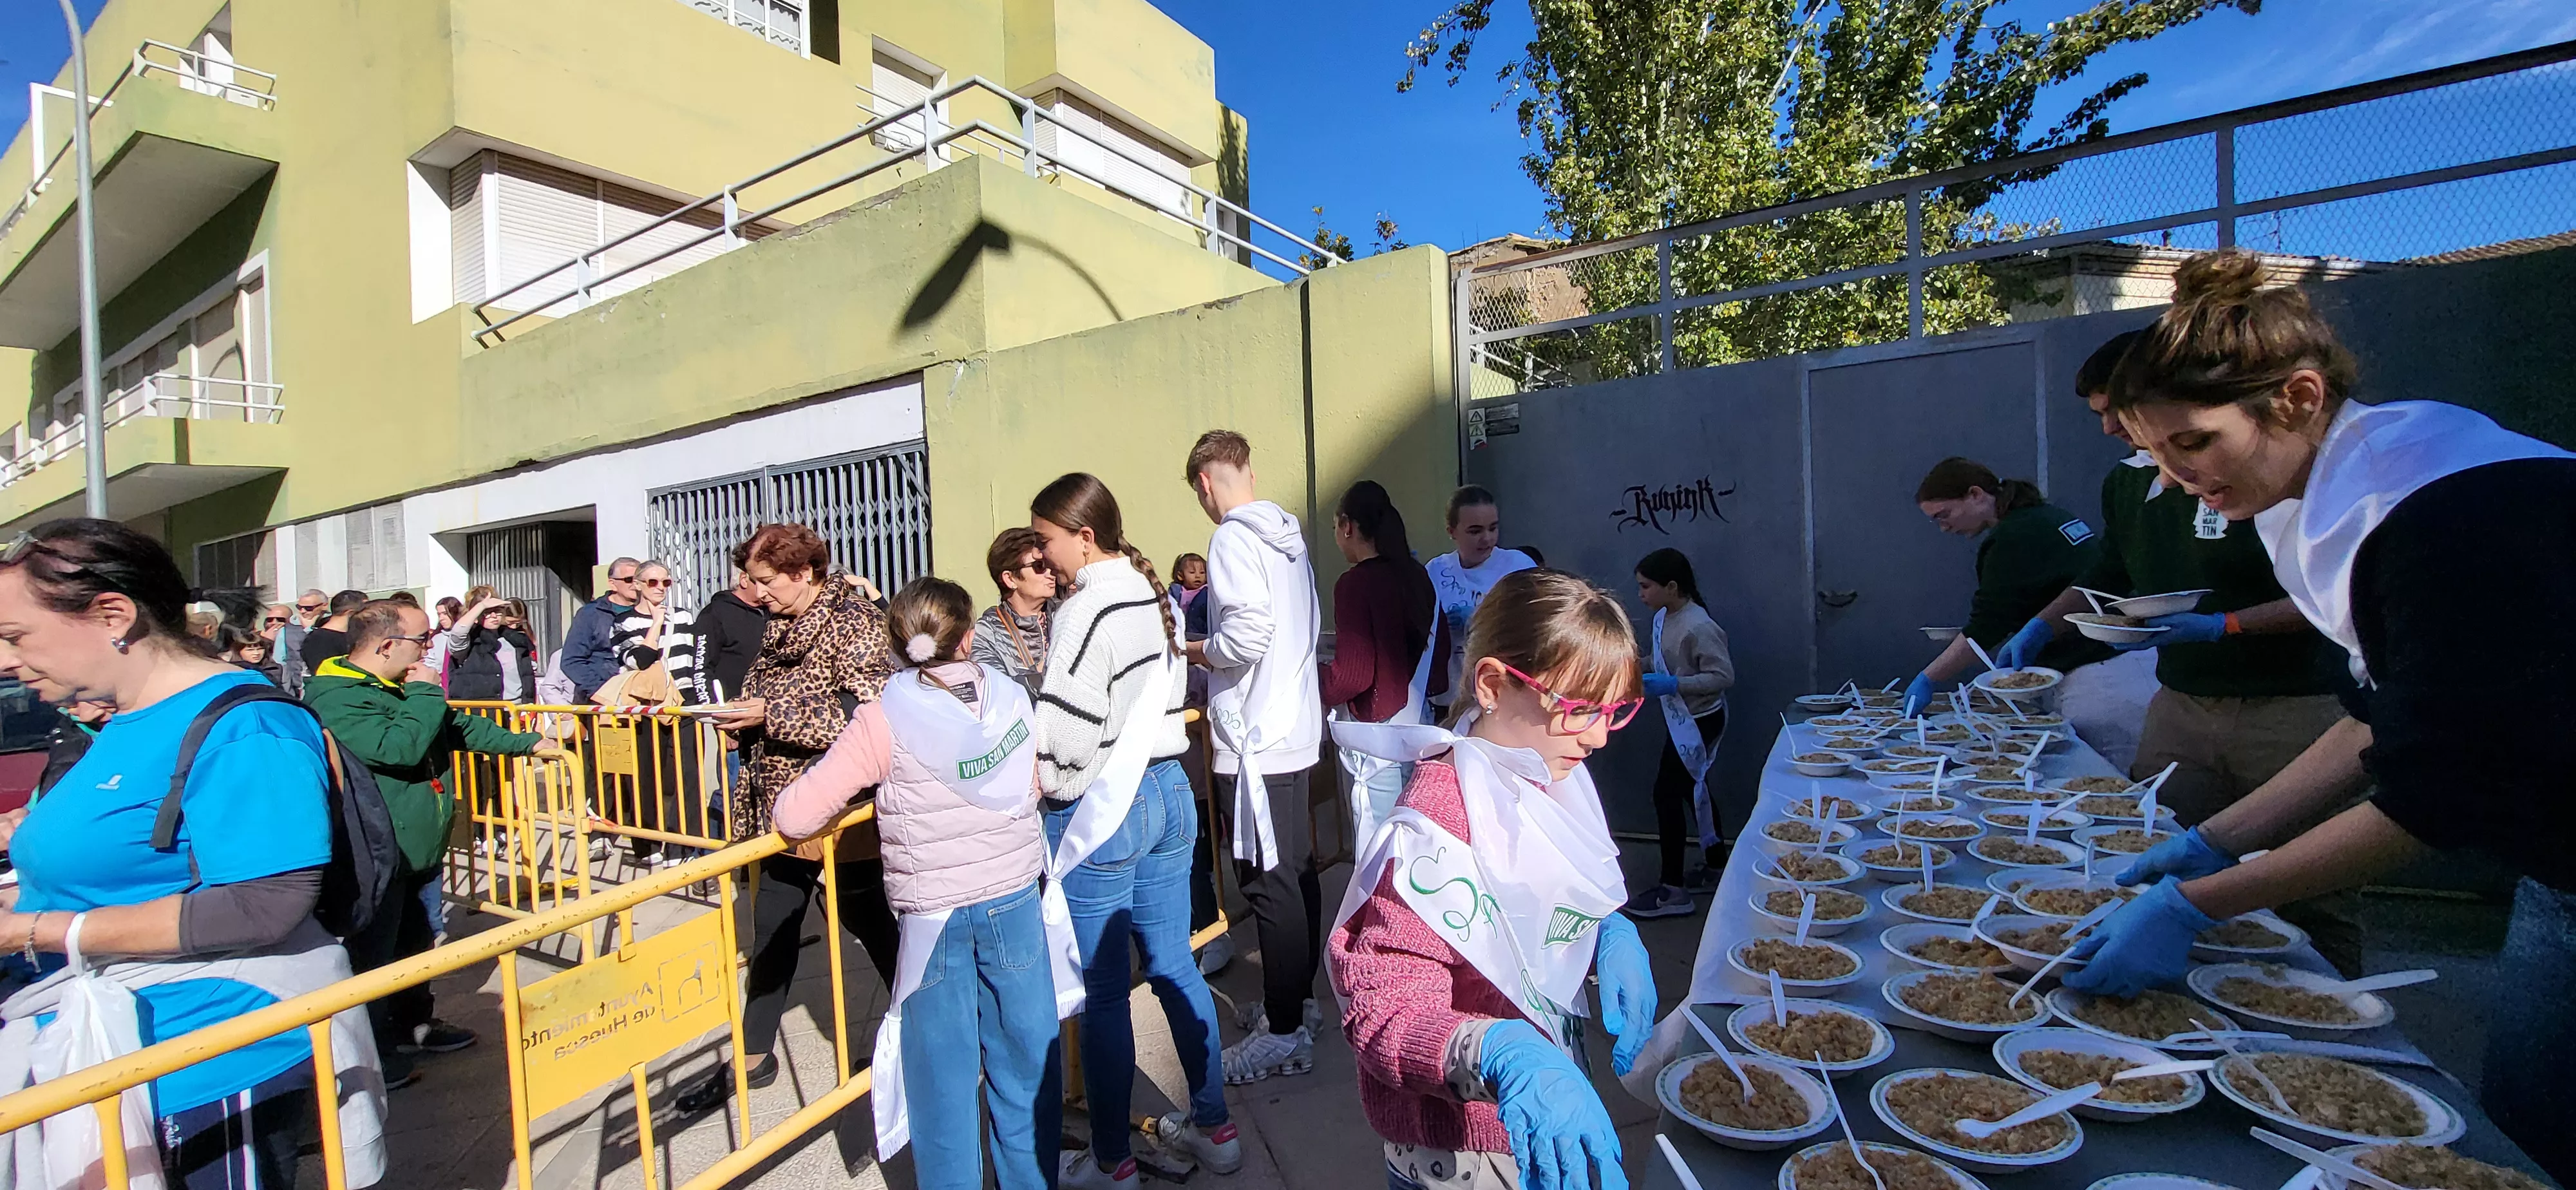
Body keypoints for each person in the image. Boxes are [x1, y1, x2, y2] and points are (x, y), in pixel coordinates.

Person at [2054, 249, 2576, 1182]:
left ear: (2295, 398)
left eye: (2195, 444)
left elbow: (2429, 800)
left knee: (2532, 1144)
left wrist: (2196, 902)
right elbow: (2376, 718)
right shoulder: (2331, 487)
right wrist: (2218, 839)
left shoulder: (2441, 517)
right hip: (2560, 866)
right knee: (2520, 1126)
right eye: (2156, 455)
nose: (2174, 481)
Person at [0, 519, 388, 1189]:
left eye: (15, 636)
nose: (5, 659)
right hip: (115, 1039)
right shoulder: (125, 720)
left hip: (205, 1054)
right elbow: (107, 873)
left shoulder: (247, 725)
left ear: (112, 614)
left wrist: (30, 930)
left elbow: (262, 905)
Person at [1988, 330, 2360, 971]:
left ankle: (2327, 1016)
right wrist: (2041, 628)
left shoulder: (2287, 481)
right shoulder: (2131, 485)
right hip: (2182, 705)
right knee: (2143, 847)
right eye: (2102, 416)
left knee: (2309, 890)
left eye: (2117, 412)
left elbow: (2338, 592)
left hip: (2298, 708)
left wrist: (2226, 626)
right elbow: (2106, 574)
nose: (2110, 428)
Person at [1328, 567, 1654, 1190]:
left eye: (1615, 710)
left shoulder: (1542, 773)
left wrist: (1606, 930)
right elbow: (1383, 1013)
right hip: (1461, 1155)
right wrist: (1501, 1052)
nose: (1599, 736)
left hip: (1532, 1121)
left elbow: (1534, 899)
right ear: (1494, 685)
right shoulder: (1434, 830)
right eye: (1581, 709)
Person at [769, 578, 1062, 1190]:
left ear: (897, 642)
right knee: (1025, 1061)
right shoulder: (1010, 698)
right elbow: (1038, 781)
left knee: (941, 1081)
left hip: (933, 918)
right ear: (967, 637)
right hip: (1012, 895)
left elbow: (795, 816)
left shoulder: (881, 719)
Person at [1028, 473, 1238, 1189]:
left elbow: (1064, 736)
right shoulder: (1152, 597)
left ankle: (1113, 1158)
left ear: (1083, 536)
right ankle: (1216, 1125)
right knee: (1174, 963)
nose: (1043, 556)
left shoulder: (1087, 609)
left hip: (1103, 806)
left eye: (1047, 540)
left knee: (1105, 992)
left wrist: (1043, 779)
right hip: (1168, 790)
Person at [674, 524, 900, 1115]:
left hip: (841, 808)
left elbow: (867, 713)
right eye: (751, 579)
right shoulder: (781, 623)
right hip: (783, 804)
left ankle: (918, 1025)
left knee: (868, 917)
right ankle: (753, 1055)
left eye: (766, 580)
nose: (756, 591)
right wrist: (743, 716)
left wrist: (768, 715)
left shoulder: (853, 622)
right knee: (773, 923)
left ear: (805, 572)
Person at [305, 598, 554, 1082]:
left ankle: (414, 1023)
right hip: (378, 853)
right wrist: (425, 693)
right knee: (375, 959)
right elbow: (399, 748)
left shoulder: (400, 685)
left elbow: (457, 727)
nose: (429, 650)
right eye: (422, 641)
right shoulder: (336, 695)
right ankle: (374, 1053)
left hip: (419, 850)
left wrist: (527, 743)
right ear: (385, 646)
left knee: (416, 945)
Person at [1183, 431, 1328, 1085]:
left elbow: (1245, 635)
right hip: (1291, 728)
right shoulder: (1288, 539)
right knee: (1293, 872)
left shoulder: (1233, 538)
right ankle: (1296, 1003)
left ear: (1207, 484)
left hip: (1255, 741)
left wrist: (1195, 650)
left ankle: (1285, 1030)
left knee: (1267, 882)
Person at [1902, 459, 2109, 715]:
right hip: (2109, 664)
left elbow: (1987, 626)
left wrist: (1929, 678)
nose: (1944, 528)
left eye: (1944, 515)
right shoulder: (2047, 515)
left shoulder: (2012, 537)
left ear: (1976, 494)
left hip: (2097, 676)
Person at [1317, 480, 1435, 850]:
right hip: (1421, 727)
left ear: (1348, 526)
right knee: (1419, 848)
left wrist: (1313, 677)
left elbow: (1352, 676)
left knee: (1380, 854)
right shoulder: (1419, 575)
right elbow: (1440, 655)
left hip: (1377, 740)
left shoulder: (1355, 584)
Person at [1626, 547, 1736, 920]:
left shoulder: (1698, 625)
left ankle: (1673, 889)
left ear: (1671, 587)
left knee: (1667, 795)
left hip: (1700, 721)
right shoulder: (1663, 617)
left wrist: (1674, 684)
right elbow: (1660, 660)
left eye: (1646, 586)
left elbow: (1723, 677)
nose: (1641, 594)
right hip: (1682, 720)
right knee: (1694, 790)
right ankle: (1716, 863)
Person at [611, 560, 706, 861]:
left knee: (687, 777)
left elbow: (696, 662)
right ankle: (649, 844)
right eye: (653, 583)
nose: (660, 589)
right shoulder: (624, 622)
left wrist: (700, 703)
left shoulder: (685, 617)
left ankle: (682, 845)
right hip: (645, 708)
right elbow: (637, 660)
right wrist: (655, 623)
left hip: (682, 706)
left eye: (666, 583)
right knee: (646, 776)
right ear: (637, 585)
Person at [1419, 486, 1537, 720]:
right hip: (1450, 698)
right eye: (1475, 531)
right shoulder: (1436, 570)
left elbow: (1537, 629)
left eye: (1493, 528)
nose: (1487, 539)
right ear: (1452, 531)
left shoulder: (1518, 566)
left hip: (1504, 699)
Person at [971, 527, 1057, 697]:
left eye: (1050, 563)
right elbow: (993, 691)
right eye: (1039, 566)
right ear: (1010, 579)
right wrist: (1049, 672)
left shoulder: (1067, 614)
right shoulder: (988, 633)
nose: (1051, 573)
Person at [560, 557, 641, 703]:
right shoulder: (591, 614)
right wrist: (601, 692)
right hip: (603, 702)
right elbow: (572, 660)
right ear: (613, 584)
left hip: (644, 697)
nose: (635, 585)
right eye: (629, 580)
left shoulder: (653, 612)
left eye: (640, 580)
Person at [694, 561, 767, 706]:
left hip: (768, 708)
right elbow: (702, 666)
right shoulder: (715, 613)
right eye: (762, 582)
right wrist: (710, 706)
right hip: (731, 709)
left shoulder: (773, 612)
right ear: (744, 580)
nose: (767, 589)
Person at [442, 594, 537, 703]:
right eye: (487, 612)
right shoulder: (469, 643)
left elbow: (527, 677)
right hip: (481, 711)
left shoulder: (515, 640)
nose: (494, 616)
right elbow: (458, 633)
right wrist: (481, 606)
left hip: (516, 710)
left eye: (498, 611)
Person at [299, 589, 368, 677]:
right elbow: (325, 676)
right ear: (351, 613)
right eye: (366, 610)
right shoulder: (319, 640)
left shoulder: (355, 635)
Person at [1170, 552, 1211, 641]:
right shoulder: (1176, 592)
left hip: (1202, 634)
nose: (1198, 576)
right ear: (1180, 576)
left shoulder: (1207, 591)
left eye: (1202, 573)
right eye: (1192, 572)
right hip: (1180, 633)